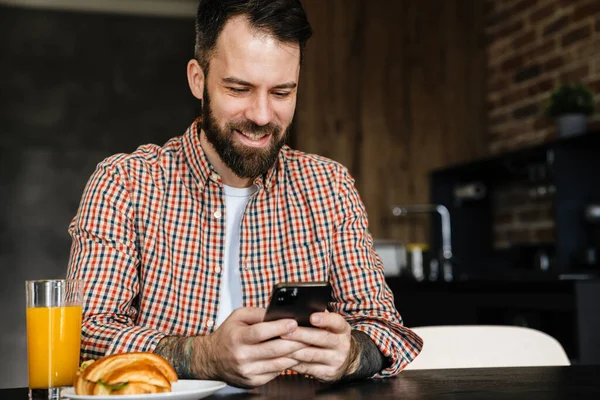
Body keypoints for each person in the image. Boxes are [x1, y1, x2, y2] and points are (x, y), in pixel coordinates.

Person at [67, 0, 422, 388]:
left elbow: (386, 330)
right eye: (239, 89)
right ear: (198, 79)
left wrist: (351, 353)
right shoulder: (125, 183)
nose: (262, 115)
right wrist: (201, 355)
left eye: (282, 93)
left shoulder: (329, 187)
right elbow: (85, 337)